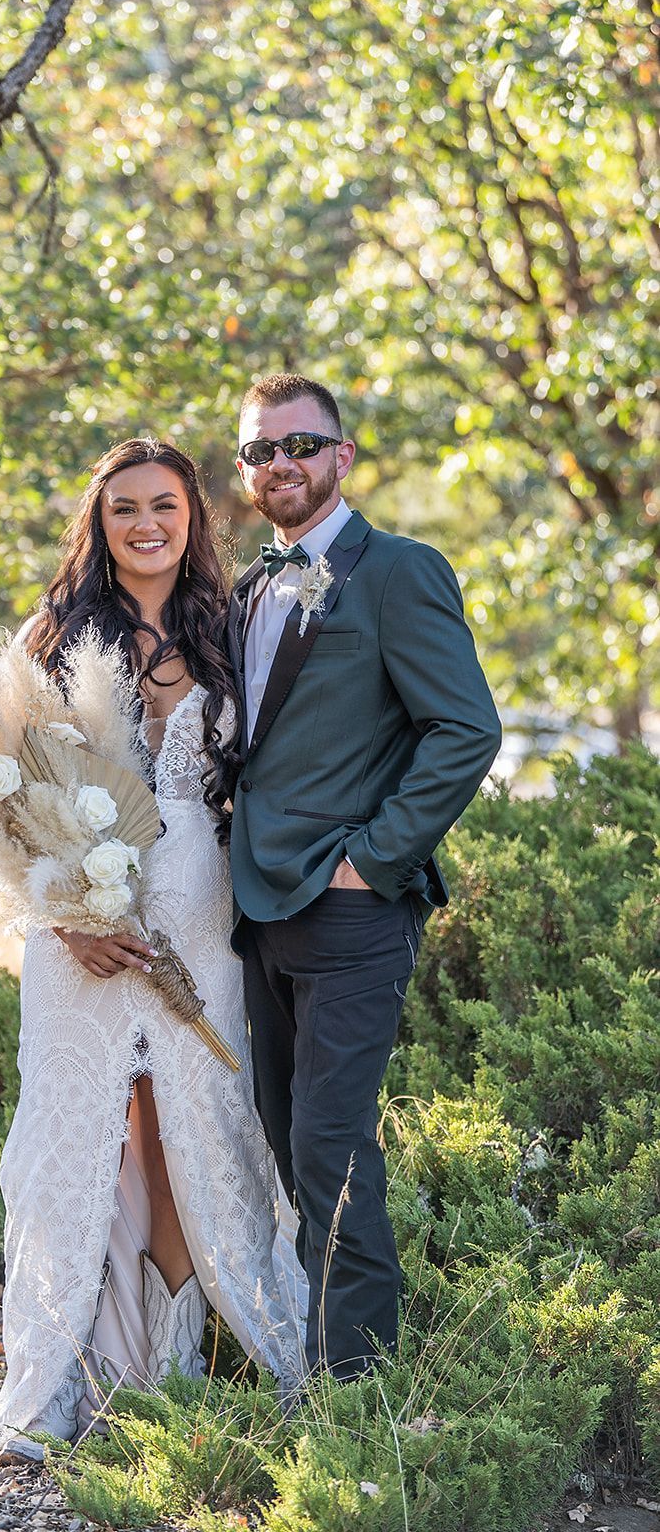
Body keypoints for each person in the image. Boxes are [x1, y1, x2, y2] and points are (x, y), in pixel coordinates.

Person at [0, 437, 307, 1465]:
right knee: (73, 1142)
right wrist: (67, 911)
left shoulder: (231, 627)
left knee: (184, 1133)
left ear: (191, 516)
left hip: (198, 918)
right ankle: (45, 1389)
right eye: (122, 508)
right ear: (100, 521)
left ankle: (159, 1377)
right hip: (81, 931)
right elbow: (4, 798)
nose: (144, 524)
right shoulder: (56, 632)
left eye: (162, 504)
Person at [227, 373, 503, 1386]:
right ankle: (308, 1367)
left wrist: (370, 859)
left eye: (300, 444)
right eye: (260, 450)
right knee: (288, 1139)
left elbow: (465, 728)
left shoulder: (397, 571)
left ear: (341, 456)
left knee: (331, 1152)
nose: (280, 464)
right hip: (257, 908)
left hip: (347, 908)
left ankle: (358, 1394)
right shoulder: (255, 580)